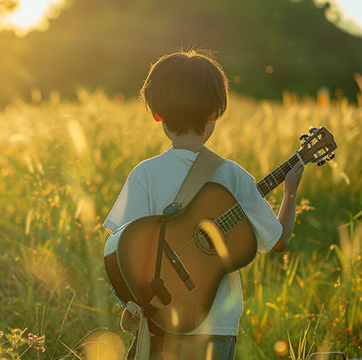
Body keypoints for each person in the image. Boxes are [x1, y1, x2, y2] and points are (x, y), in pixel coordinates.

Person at [102, 50, 304, 360]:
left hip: (162, 321)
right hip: (217, 326)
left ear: (156, 113)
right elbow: (278, 241)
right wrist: (290, 190)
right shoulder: (234, 176)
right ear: (215, 112)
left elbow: (123, 249)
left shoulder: (145, 173)